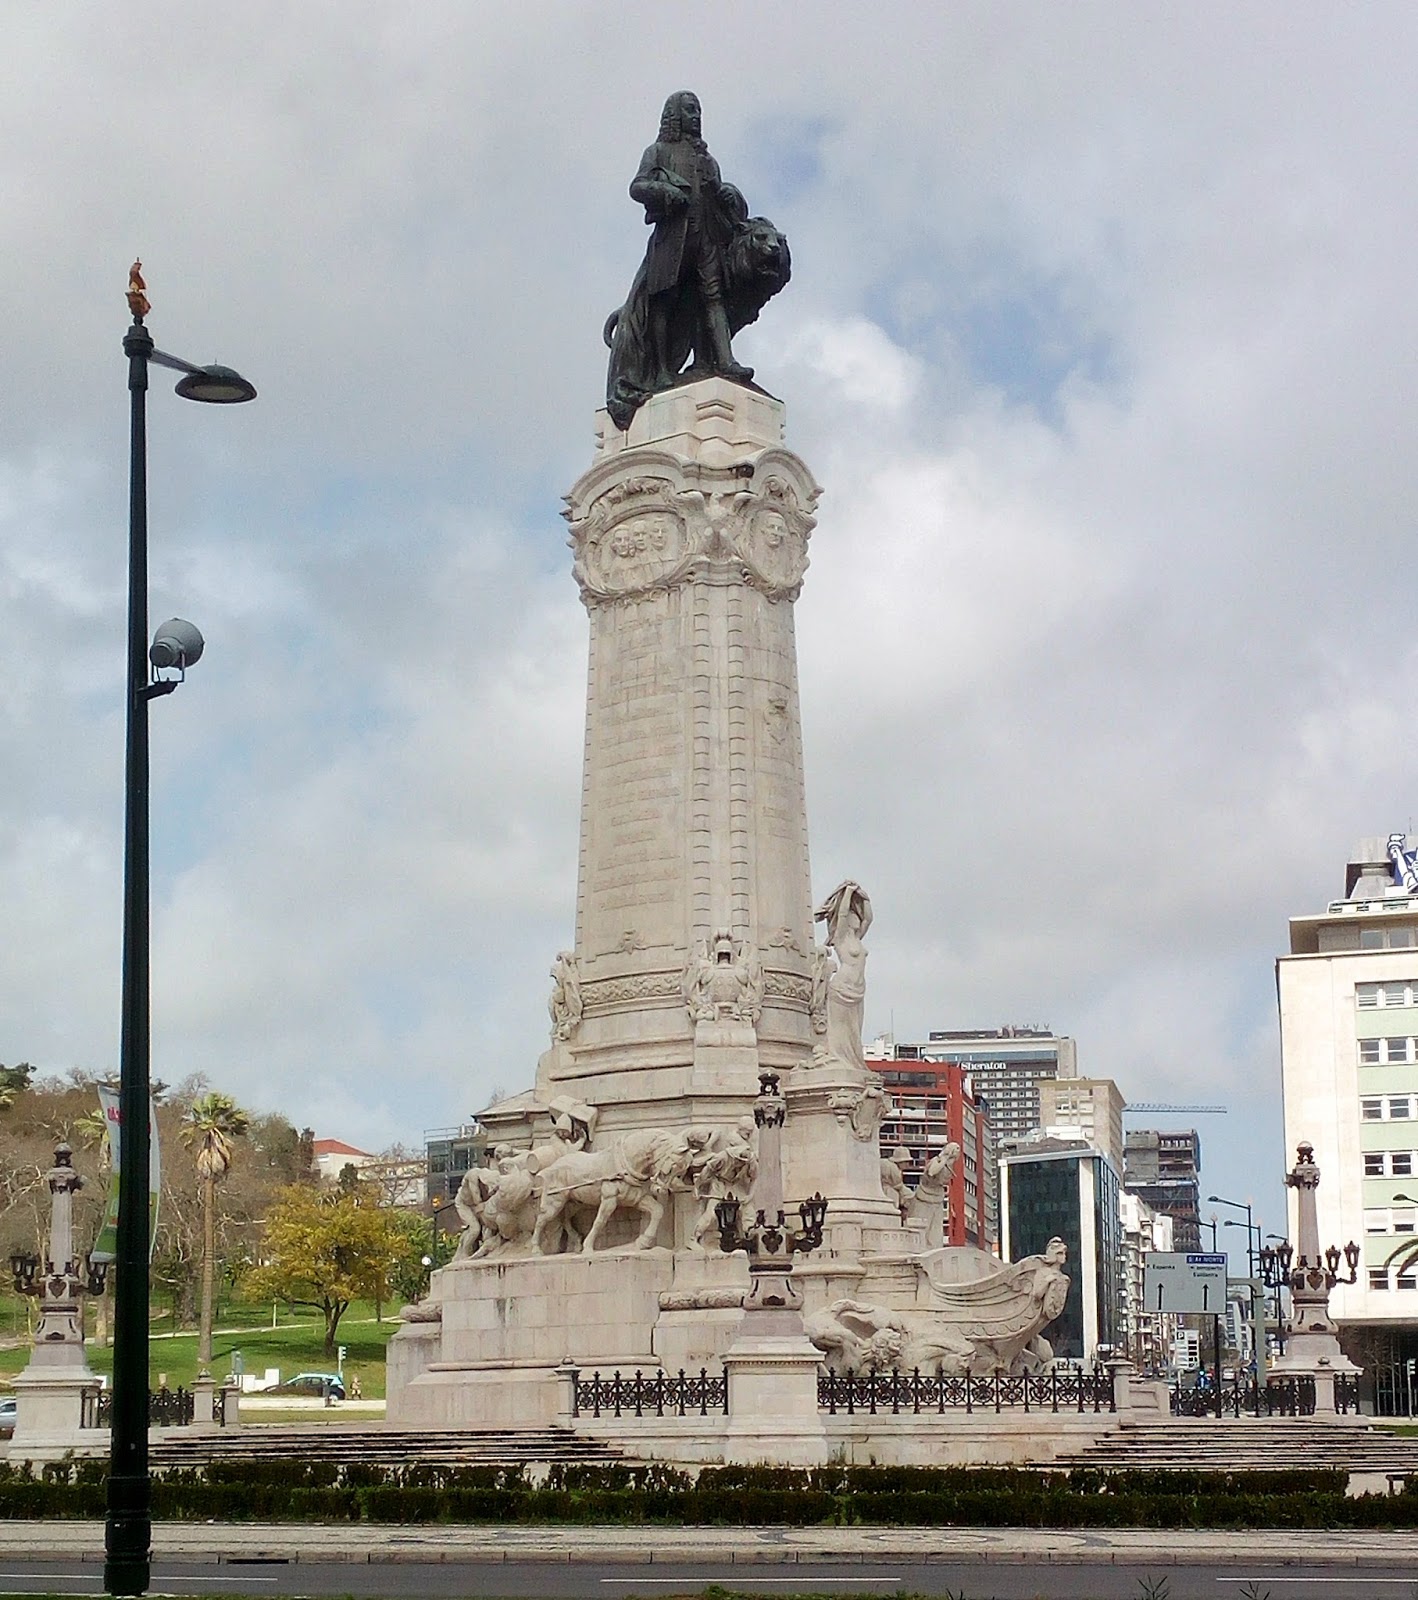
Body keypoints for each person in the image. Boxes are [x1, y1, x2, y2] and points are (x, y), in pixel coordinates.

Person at [606, 91, 752, 429]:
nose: (696, 115)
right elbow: (638, 186)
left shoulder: (708, 160)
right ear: (675, 114)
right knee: (663, 301)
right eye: (689, 110)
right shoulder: (658, 152)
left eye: (699, 110)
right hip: (672, 239)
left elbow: (718, 198)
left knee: (712, 297)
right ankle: (660, 371)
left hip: (705, 238)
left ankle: (725, 361)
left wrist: (729, 196)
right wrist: (665, 191)